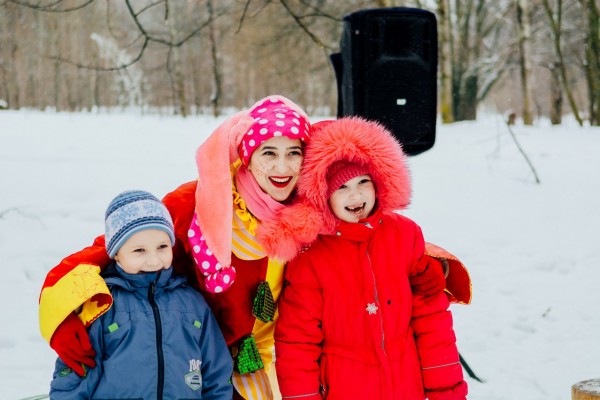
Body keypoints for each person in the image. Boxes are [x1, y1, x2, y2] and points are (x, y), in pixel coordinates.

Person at [38, 95, 470, 400]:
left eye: (293, 153)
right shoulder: (199, 201)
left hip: (270, 362)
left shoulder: (307, 205)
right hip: (191, 360)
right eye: (269, 153)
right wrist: (59, 309)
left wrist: (430, 264)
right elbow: (117, 247)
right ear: (246, 155)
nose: (282, 168)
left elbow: (365, 232)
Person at [271, 117, 468, 399]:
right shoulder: (311, 257)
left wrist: (447, 392)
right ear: (322, 194)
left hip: (405, 385)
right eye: (341, 187)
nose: (356, 195)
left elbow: (433, 325)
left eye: (363, 181)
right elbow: (297, 343)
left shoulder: (404, 236)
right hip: (344, 387)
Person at [49, 190, 232, 399]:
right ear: (116, 252)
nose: (154, 261)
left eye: (162, 247)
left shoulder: (193, 303)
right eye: (139, 251)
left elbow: (216, 373)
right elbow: (74, 380)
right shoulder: (101, 304)